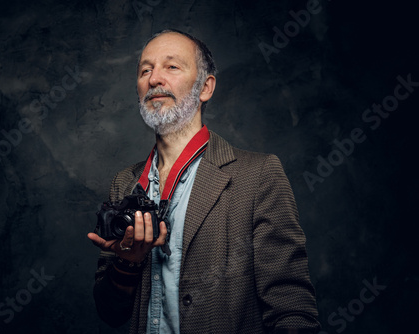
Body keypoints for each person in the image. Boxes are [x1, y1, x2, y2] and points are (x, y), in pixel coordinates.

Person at [88, 29, 320, 334]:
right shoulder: (125, 183)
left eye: (171, 67)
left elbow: (292, 311)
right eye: (146, 69)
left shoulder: (259, 175)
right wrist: (127, 264)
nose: (154, 78)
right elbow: (110, 313)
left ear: (205, 87)